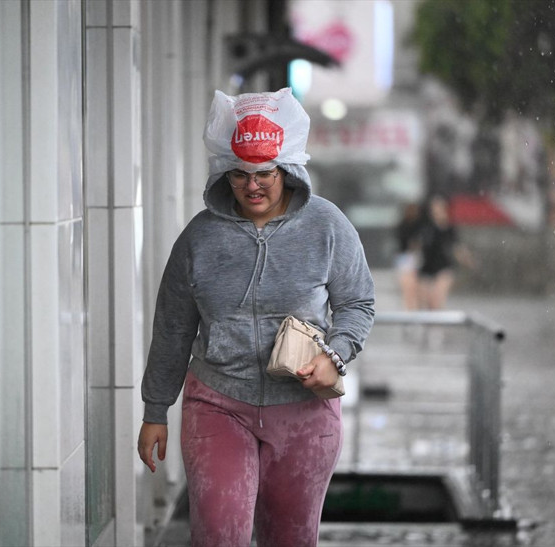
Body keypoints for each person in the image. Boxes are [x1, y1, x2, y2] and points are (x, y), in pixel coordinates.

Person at [137, 88, 375, 547]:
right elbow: (172, 327)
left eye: (265, 172)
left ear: (287, 169)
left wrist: (336, 355)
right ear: (225, 174)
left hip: (305, 411)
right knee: (219, 533)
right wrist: (154, 410)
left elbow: (357, 304)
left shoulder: (328, 226)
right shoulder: (199, 239)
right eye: (240, 175)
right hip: (218, 405)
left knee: (291, 539)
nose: (253, 186)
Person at [417, 194, 475, 311]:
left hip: (444, 266)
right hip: (427, 267)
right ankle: (429, 326)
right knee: (426, 303)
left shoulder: (449, 228)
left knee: (437, 299)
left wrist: (467, 259)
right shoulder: (426, 226)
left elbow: (457, 246)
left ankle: (437, 327)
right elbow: (418, 245)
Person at [394, 202, 422, 310]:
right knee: (408, 288)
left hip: (412, 257)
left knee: (415, 288)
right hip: (406, 258)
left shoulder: (418, 226)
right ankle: (411, 310)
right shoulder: (404, 226)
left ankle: (414, 310)